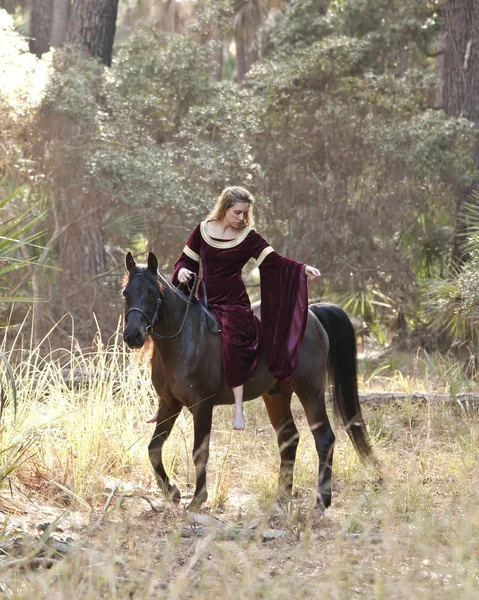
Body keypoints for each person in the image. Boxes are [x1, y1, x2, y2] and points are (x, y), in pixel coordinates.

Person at [171, 186, 321, 430]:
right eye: (237, 212)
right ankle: (166, 400)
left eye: (245, 213)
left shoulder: (248, 236)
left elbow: (275, 262)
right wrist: (183, 271)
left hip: (234, 304)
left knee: (233, 339)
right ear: (224, 208)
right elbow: (185, 261)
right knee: (176, 335)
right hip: (206, 302)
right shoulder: (202, 230)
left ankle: (239, 408)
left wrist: (301, 268)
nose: (241, 218)